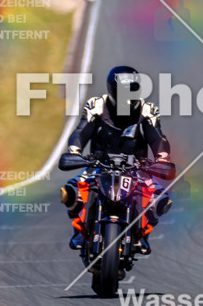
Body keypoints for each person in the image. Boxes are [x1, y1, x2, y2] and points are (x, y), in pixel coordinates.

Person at [60, 66, 172, 253]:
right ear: (112, 90)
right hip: (98, 165)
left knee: (161, 198)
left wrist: (162, 158)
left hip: (136, 167)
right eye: (122, 91)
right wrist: (74, 151)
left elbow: (157, 137)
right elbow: (81, 131)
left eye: (132, 90)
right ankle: (80, 230)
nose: (127, 96)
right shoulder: (96, 105)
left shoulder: (147, 110)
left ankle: (143, 234)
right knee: (71, 190)